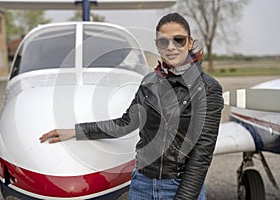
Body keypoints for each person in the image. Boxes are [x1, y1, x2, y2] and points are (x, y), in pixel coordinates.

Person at [40, 12, 224, 200]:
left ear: (190, 42)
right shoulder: (149, 81)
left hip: (178, 186)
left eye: (179, 40)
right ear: (157, 46)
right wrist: (75, 131)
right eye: (163, 42)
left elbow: (201, 155)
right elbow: (125, 123)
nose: (171, 47)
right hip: (141, 185)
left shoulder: (208, 88)